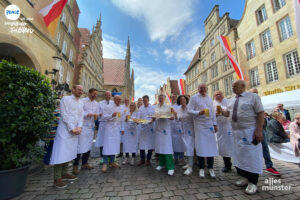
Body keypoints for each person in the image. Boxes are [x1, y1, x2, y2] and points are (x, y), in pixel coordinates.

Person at [223, 80, 264, 195]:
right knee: (239, 156)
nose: (233, 88)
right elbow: (229, 114)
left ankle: (253, 182)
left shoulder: (253, 97)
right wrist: (222, 111)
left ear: (242, 86)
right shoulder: (231, 100)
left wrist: (259, 130)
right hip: (236, 132)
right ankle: (244, 177)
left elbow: (260, 113)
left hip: (249, 131)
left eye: (235, 86)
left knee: (251, 156)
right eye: (232, 86)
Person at [50, 85, 84, 188]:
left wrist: (80, 127)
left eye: (81, 90)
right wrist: (72, 128)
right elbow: (65, 115)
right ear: (73, 89)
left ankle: (64, 173)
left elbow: (81, 116)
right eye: (78, 89)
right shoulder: (66, 99)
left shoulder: (81, 102)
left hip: (75, 131)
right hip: (65, 131)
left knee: (69, 153)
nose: (80, 91)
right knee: (60, 153)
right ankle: (57, 178)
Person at [188, 83, 218, 178]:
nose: (203, 89)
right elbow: (189, 110)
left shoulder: (209, 98)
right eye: (201, 88)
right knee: (201, 146)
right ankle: (201, 168)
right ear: (198, 89)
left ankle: (210, 168)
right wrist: (198, 112)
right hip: (199, 125)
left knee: (211, 146)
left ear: (207, 89)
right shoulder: (194, 98)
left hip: (209, 124)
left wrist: (215, 124)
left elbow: (212, 113)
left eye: (204, 88)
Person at [249, 88, 280, 176]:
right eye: (253, 93)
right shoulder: (248, 103)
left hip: (260, 129)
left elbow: (261, 115)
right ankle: (251, 168)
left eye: (256, 93)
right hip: (250, 129)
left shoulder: (258, 102)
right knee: (251, 149)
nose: (256, 95)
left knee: (265, 147)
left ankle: (269, 166)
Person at [72, 88, 99, 175]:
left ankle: (84, 163)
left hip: (91, 127)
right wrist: (87, 114)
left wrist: (97, 116)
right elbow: (79, 112)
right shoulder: (82, 101)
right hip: (82, 126)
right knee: (80, 146)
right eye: (94, 94)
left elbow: (96, 113)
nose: (95, 95)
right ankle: (75, 165)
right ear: (89, 93)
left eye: (96, 94)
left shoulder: (96, 103)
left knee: (88, 145)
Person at [154, 94, 175, 176]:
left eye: (162, 98)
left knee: (167, 148)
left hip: (165, 129)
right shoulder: (156, 107)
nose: (160, 99)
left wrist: (171, 117)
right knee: (160, 147)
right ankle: (161, 164)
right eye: (159, 98)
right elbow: (155, 116)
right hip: (159, 128)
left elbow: (173, 117)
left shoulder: (168, 107)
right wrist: (153, 118)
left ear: (164, 99)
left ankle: (170, 167)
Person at [213, 91, 233, 173]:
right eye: (216, 95)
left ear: (223, 94)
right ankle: (227, 164)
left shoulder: (228, 102)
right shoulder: (212, 104)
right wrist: (215, 114)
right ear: (214, 96)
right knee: (223, 146)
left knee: (232, 145)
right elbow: (210, 116)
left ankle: (239, 166)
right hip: (219, 127)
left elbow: (230, 114)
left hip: (229, 126)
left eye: (220, 94)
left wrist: (222, 111)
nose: (218, 95)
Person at [101, 95, 123, 172]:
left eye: (120, 100)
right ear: (114, 99)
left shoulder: (121, 107)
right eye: (118, 100)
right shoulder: (108, 107)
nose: (119, 101)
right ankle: (105, 163)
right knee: (107, 146)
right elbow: (103, 117)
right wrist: (111, 115)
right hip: (109, 129)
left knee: (114, 145)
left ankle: (112, 161)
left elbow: (121, 118)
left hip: (116, 129)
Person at [176, 95, 194, 175]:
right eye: (181, 100)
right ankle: (189, 163)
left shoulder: (190, 107)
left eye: (184, 99)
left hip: (190, 129)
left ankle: (190, 166)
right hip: (183, 130)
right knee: (186, 147)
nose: (182, 101)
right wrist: (175, 115)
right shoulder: (178, 109)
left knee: (190, 147)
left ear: (186, 100)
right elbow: (178, 119)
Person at [95, 91, 113, 165]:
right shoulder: (100, 103)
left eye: (109, 95)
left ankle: (110, 158)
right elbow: (98, 113)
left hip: (111, 124)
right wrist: (100, 115)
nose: (108, 96)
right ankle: (102, 157)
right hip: (103, 124)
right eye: (107, 95)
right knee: (102, 141)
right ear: (105, 96)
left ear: (111, 96)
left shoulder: (113, 103)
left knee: (110, 142)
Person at [137, 95, 155, 166]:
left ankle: (148, 160)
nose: (145, 102)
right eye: (143, 101)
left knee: (150, 145)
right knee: (142, 145)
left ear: (148, 100)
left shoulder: (152, 108)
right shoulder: (141, 108)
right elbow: (138, 117)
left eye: (146, 100)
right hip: (143, 128)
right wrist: (137, 121)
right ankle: (142, 159)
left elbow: (155, 116)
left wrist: (153, 120)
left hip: (150, 128)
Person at [43, 99, 60, 169]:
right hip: (54, 134)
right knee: (56, 149)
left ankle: (46, 164)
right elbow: (59, 122)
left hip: (46, 133)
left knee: (47, 149)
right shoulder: (58, 111)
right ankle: (56, 162)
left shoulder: (47, 111)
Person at [170, 93, 185, 165]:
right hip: (171, 127)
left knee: (180, 142)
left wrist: (176, 116)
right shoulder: (169, 106)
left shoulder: (178, 106)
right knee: (174, 143)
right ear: (170, 98)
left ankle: (181, 158)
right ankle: (175, 157)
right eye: (172, 97)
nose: (173, 98)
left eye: (174, 97)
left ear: (176, 97)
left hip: (178, 125)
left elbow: (181, 115)